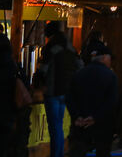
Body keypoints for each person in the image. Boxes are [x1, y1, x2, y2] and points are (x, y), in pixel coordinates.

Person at [36, 21, 82, 157]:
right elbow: (80, 65)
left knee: (55, 127)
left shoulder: (51, 47)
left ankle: (56, 154)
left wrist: (39, 83)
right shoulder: (70, 47)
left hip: (53, 90)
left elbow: (43, 69)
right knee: (59, 125)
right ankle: (59, 153)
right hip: (67, 91)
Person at [66, 41, 119, 157]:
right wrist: (95, 117)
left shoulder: (79, 74)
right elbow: (112, 102)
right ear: (104, 57)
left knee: (78, 151)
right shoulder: (111, 76)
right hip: (103, 127)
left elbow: (69, 97)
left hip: (80, 125)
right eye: (110, 58)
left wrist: (77, 116)